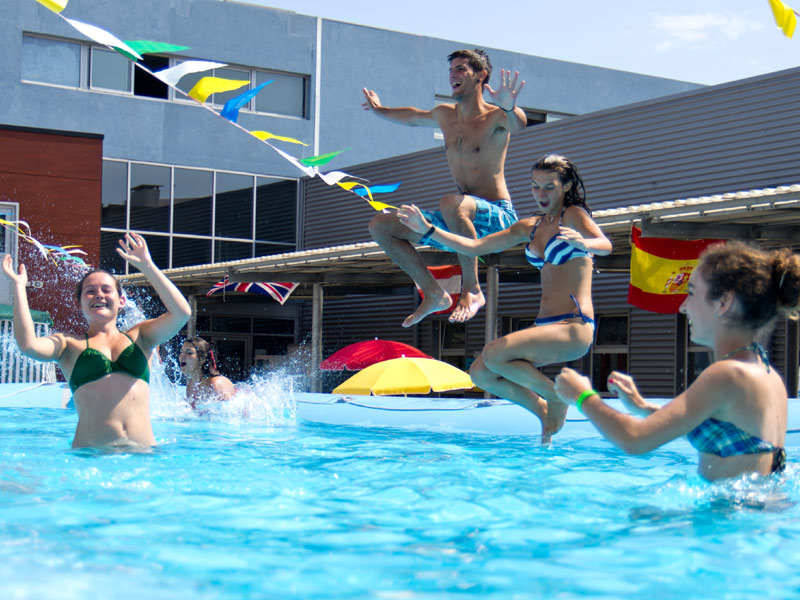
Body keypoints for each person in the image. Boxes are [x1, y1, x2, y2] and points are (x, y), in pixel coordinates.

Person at [398, 154, 611, 438]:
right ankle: (543, 412)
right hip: (544, 327)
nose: (541, 194)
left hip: (574, 326)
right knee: (481, 373)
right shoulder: (530, 227)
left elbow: (605, 245)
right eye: (535, 186)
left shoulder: (572, 216)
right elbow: (475, 246)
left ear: (566, 186)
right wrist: (428, 230)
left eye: (549, 187)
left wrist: (584, 242)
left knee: (494, 354)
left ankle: (555, 395)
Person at [554, 241, 796, 481]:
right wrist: (642, 407)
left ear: (723, 303)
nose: (682, 307)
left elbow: (634, 439)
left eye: (691, 293)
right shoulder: (768, 376)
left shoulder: (728, 374)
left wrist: (583, 397)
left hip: (730, 506)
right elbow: (717, 431)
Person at [363, 48, 527, 327]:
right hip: (459, 220)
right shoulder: (444, 115)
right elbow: (412, 116)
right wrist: (379, 111)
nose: (453, 75)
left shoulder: (496, 117)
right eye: (451, 70)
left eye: (461, 69)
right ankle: (433, 293)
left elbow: (518, 125)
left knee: (451, 203)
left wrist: (510, 107)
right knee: (381, 225)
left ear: (481, 76)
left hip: (499, 217)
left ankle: (472, 290)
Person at [1, 232, 191, 448]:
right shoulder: (68, 345)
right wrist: (19, 287)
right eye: (90, 291)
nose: (99, 295)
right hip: (90, 457)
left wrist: (148, 266)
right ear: (78, 303)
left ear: (121, 301)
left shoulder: (141, 336)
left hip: (143, 455)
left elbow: (181, 314)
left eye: (106, 290)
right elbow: (28, 345)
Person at [179, 336, 236, 409]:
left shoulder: (217, 384)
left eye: (189, 353)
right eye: (181, 352)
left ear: (202, 359)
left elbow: (231, 411)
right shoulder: (191, 386)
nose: (181, 356)